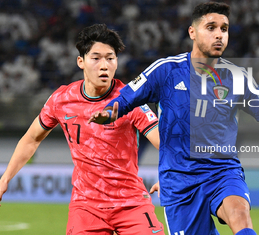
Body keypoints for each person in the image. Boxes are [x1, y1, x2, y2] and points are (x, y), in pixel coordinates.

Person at [89, 2, 259, 235]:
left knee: (240, 217)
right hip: (179, 182)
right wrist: (108, 111)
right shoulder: (166, 70)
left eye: (224, 29)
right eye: (211, 27)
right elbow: (125, 98)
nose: (219, 35)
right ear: (192, 32)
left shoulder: (238, 78)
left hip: (223, 172)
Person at [0, 24, 164, 235]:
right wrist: (4, 179)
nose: (104, 65)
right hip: (86, 206)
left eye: (110, 58)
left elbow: (164, 141)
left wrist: (171, 172)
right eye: (96, 58)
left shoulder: (130, 99)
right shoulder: (61, 100)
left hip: (130, 202)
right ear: (81, 61)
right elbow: (31, 139)